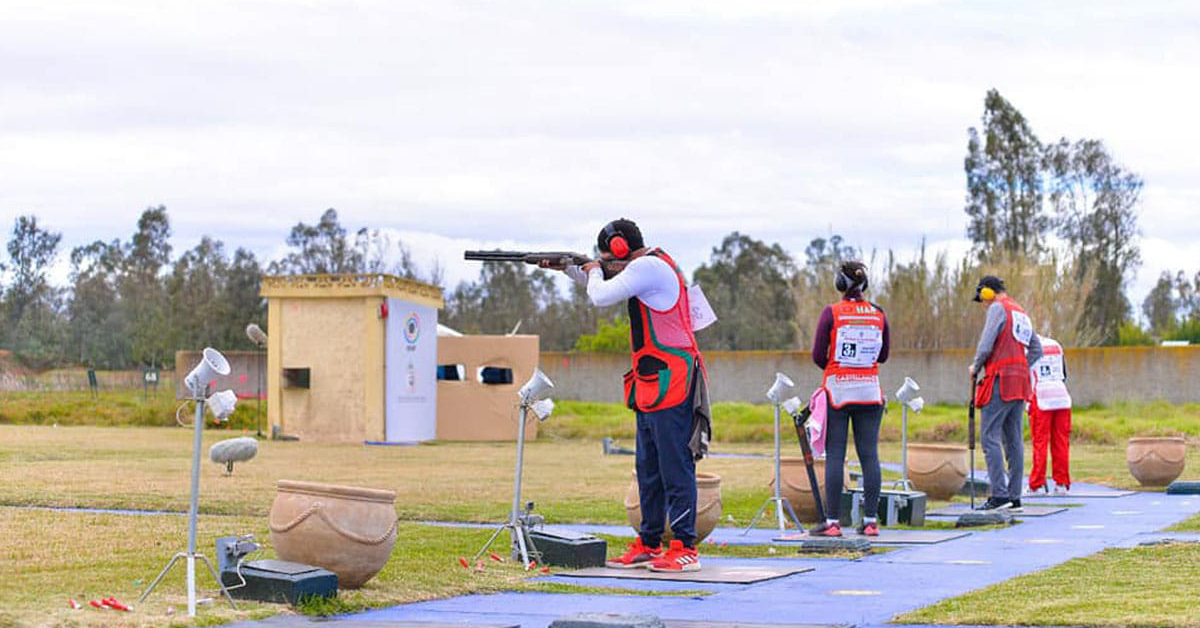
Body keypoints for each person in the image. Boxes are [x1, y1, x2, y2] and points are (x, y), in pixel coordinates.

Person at [546, 218, 711, 572]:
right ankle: (650, 543)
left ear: (619, 250)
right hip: (653, 378)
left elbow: (601, 293)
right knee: (648, 466)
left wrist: (589, 270)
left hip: (672, 377)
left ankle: (685, 547)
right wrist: (568, 270)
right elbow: (606, 282)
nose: (606, 262)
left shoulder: (650, 267)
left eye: (607, 257)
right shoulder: (643, 268)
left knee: (675, 465)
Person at [808, 261, 890, 538]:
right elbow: (883, 355)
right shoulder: (878, 314)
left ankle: (832, 523)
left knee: (836, 455)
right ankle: (870, 521)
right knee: (870, 456)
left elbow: (819, 355)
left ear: (840, 284)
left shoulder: (831, 313)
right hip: (870, 390)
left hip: (838, 391)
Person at [969, 275, 1042, 510]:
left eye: (982, 299)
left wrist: (976, 366)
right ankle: (1014, 496)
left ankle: (999, 495)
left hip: (1000, 380)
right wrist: (1021, 365)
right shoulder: (1020, 311)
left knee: (989, 437)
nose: (982, 305)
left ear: (987, 293)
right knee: (1014, 440)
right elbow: (1037, 349)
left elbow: (986, 343)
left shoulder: (997, 308)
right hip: (1021, 383)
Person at [1028, 334, 1072, 494]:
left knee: (1040, 441)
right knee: (1061, 442)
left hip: (1041, 396)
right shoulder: (1056, 344)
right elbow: (1064, 374)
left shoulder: (1027, 348)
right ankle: (1062, 484)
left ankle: (1037, 484)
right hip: (1062, 396)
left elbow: (1026, 376)